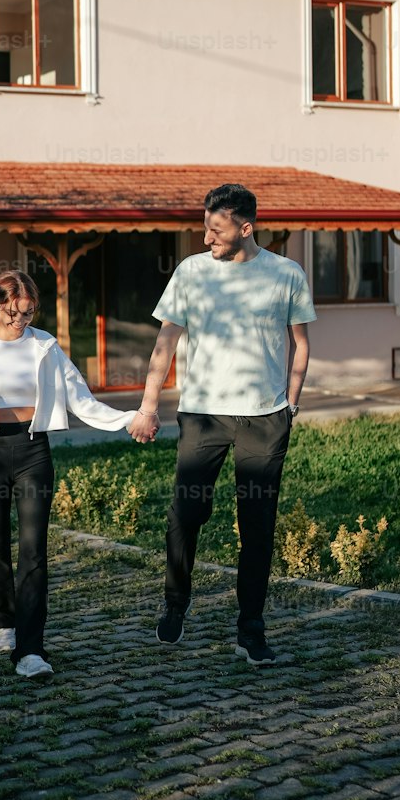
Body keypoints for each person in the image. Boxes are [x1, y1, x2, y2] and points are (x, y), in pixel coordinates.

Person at [135, 183, 315, 664]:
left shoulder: (286, 274)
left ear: (246, 228)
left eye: (216, 229)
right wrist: (149, 407)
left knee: (257, 526)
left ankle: (250, 629)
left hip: (265, 420)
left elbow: (301, 342)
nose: (206, 237)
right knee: (185, 515)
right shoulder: (191, 272)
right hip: (203, 416)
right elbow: (165, 344)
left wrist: (289, 406)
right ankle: (176, 602)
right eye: (205, 226)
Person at [0, 268, 148, 677]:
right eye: (14, 312)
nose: (21, 320)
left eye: (29, 312)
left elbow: (81, 399)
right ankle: (3, 622)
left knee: (34, 551)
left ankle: (31, 649)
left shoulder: (46, 347)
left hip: (34, 451)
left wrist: (128, 418)